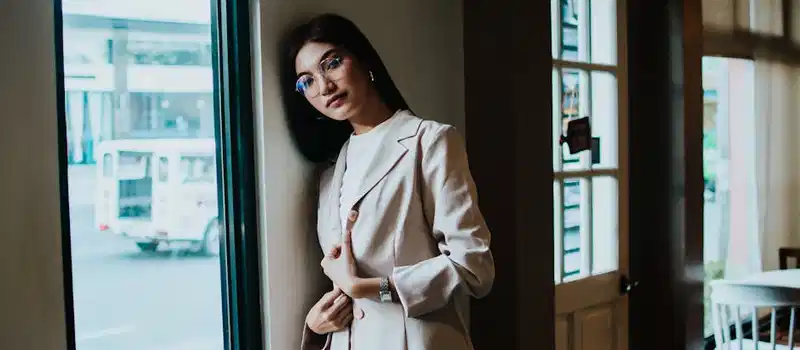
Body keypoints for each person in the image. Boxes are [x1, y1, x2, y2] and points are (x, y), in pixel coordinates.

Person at [281, 13, 495, 350]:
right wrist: (317, 325)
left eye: (332, 63)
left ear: (363, 59)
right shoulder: (330, 175)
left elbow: (474, 266)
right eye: (307, 81)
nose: (324, 87)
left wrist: (372, 288)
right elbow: (345, 286)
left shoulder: (429, 142)